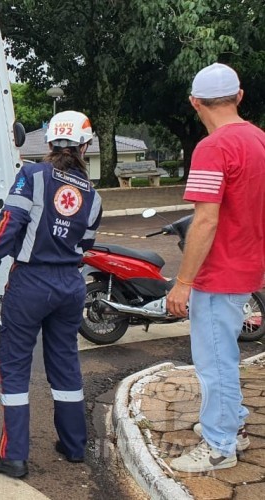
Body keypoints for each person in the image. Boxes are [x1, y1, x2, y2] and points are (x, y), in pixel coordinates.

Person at [0, 110, 103, 478]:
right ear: (85, 146)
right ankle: (74, 446)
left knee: (13, 367)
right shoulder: (93, 195)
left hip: (30, 284)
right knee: (66, 363)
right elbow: (85, 244)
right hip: (70, 285)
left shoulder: (33, 175)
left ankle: (15, 456)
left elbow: (11, 223)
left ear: (50, 141)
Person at [167, 63, 265, 473]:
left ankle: (219, 445)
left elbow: (205, 220)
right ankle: (233, 426)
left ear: (195, 102)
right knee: (224, 356)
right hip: (246, 267)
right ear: (239, 96)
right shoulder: (259, 139)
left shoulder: (213, 147)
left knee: (215, 362)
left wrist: (184, 282)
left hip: (217, 272)